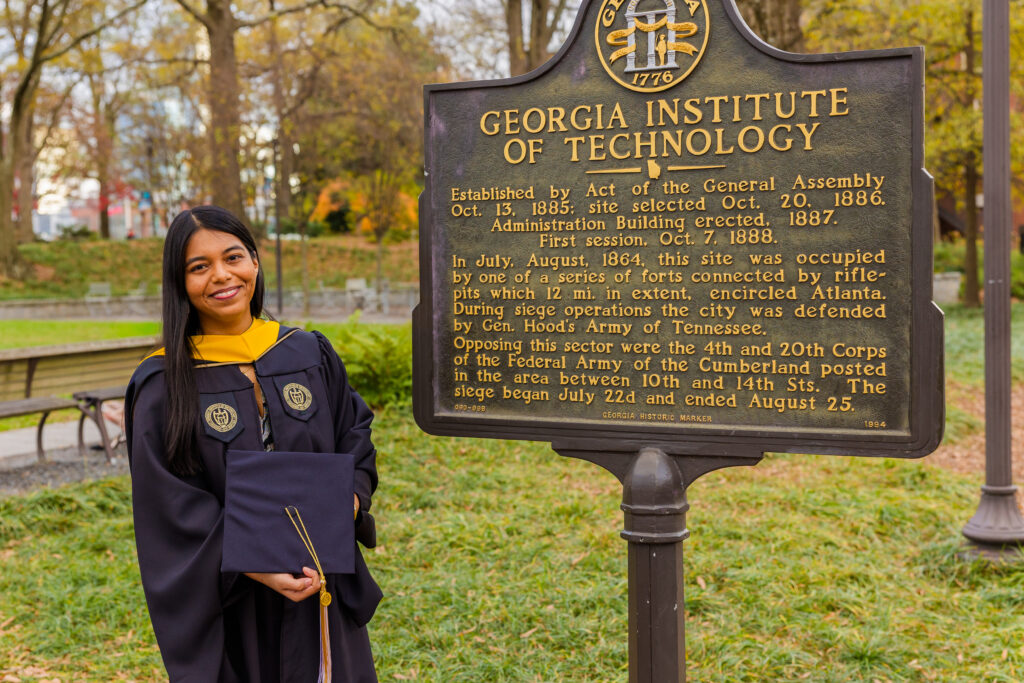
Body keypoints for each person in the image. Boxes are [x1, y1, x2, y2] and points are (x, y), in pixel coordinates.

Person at [125, 205, 381, 682]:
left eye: (233, 257)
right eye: (199, 267)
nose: (222, 276)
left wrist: (350, 499)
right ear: (179, 283)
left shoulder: (306, 352)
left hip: (322, 577)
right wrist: (252, 562)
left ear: (255, 263)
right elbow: (169, 502)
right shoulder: (163, 383)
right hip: (235, 599)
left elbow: (354, 433)